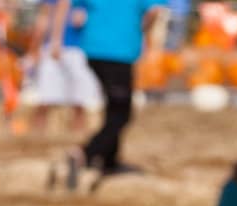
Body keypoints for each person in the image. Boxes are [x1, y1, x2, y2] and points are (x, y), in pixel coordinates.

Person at [65, 0, 166, 185]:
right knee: (122, 113)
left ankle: (109, 162)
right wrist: (142, 29)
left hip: (93, 48)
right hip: (118, 51)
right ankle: (85, 153)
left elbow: (77, 12)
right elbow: (155, 10)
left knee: (114, 107)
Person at [28, 1, 101, 146]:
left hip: (79, 50)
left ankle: (78, 143)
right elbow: (43, 20)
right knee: (46, 99)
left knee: (79, 102)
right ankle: (34, 141)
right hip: (55, 50)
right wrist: (36, 49)